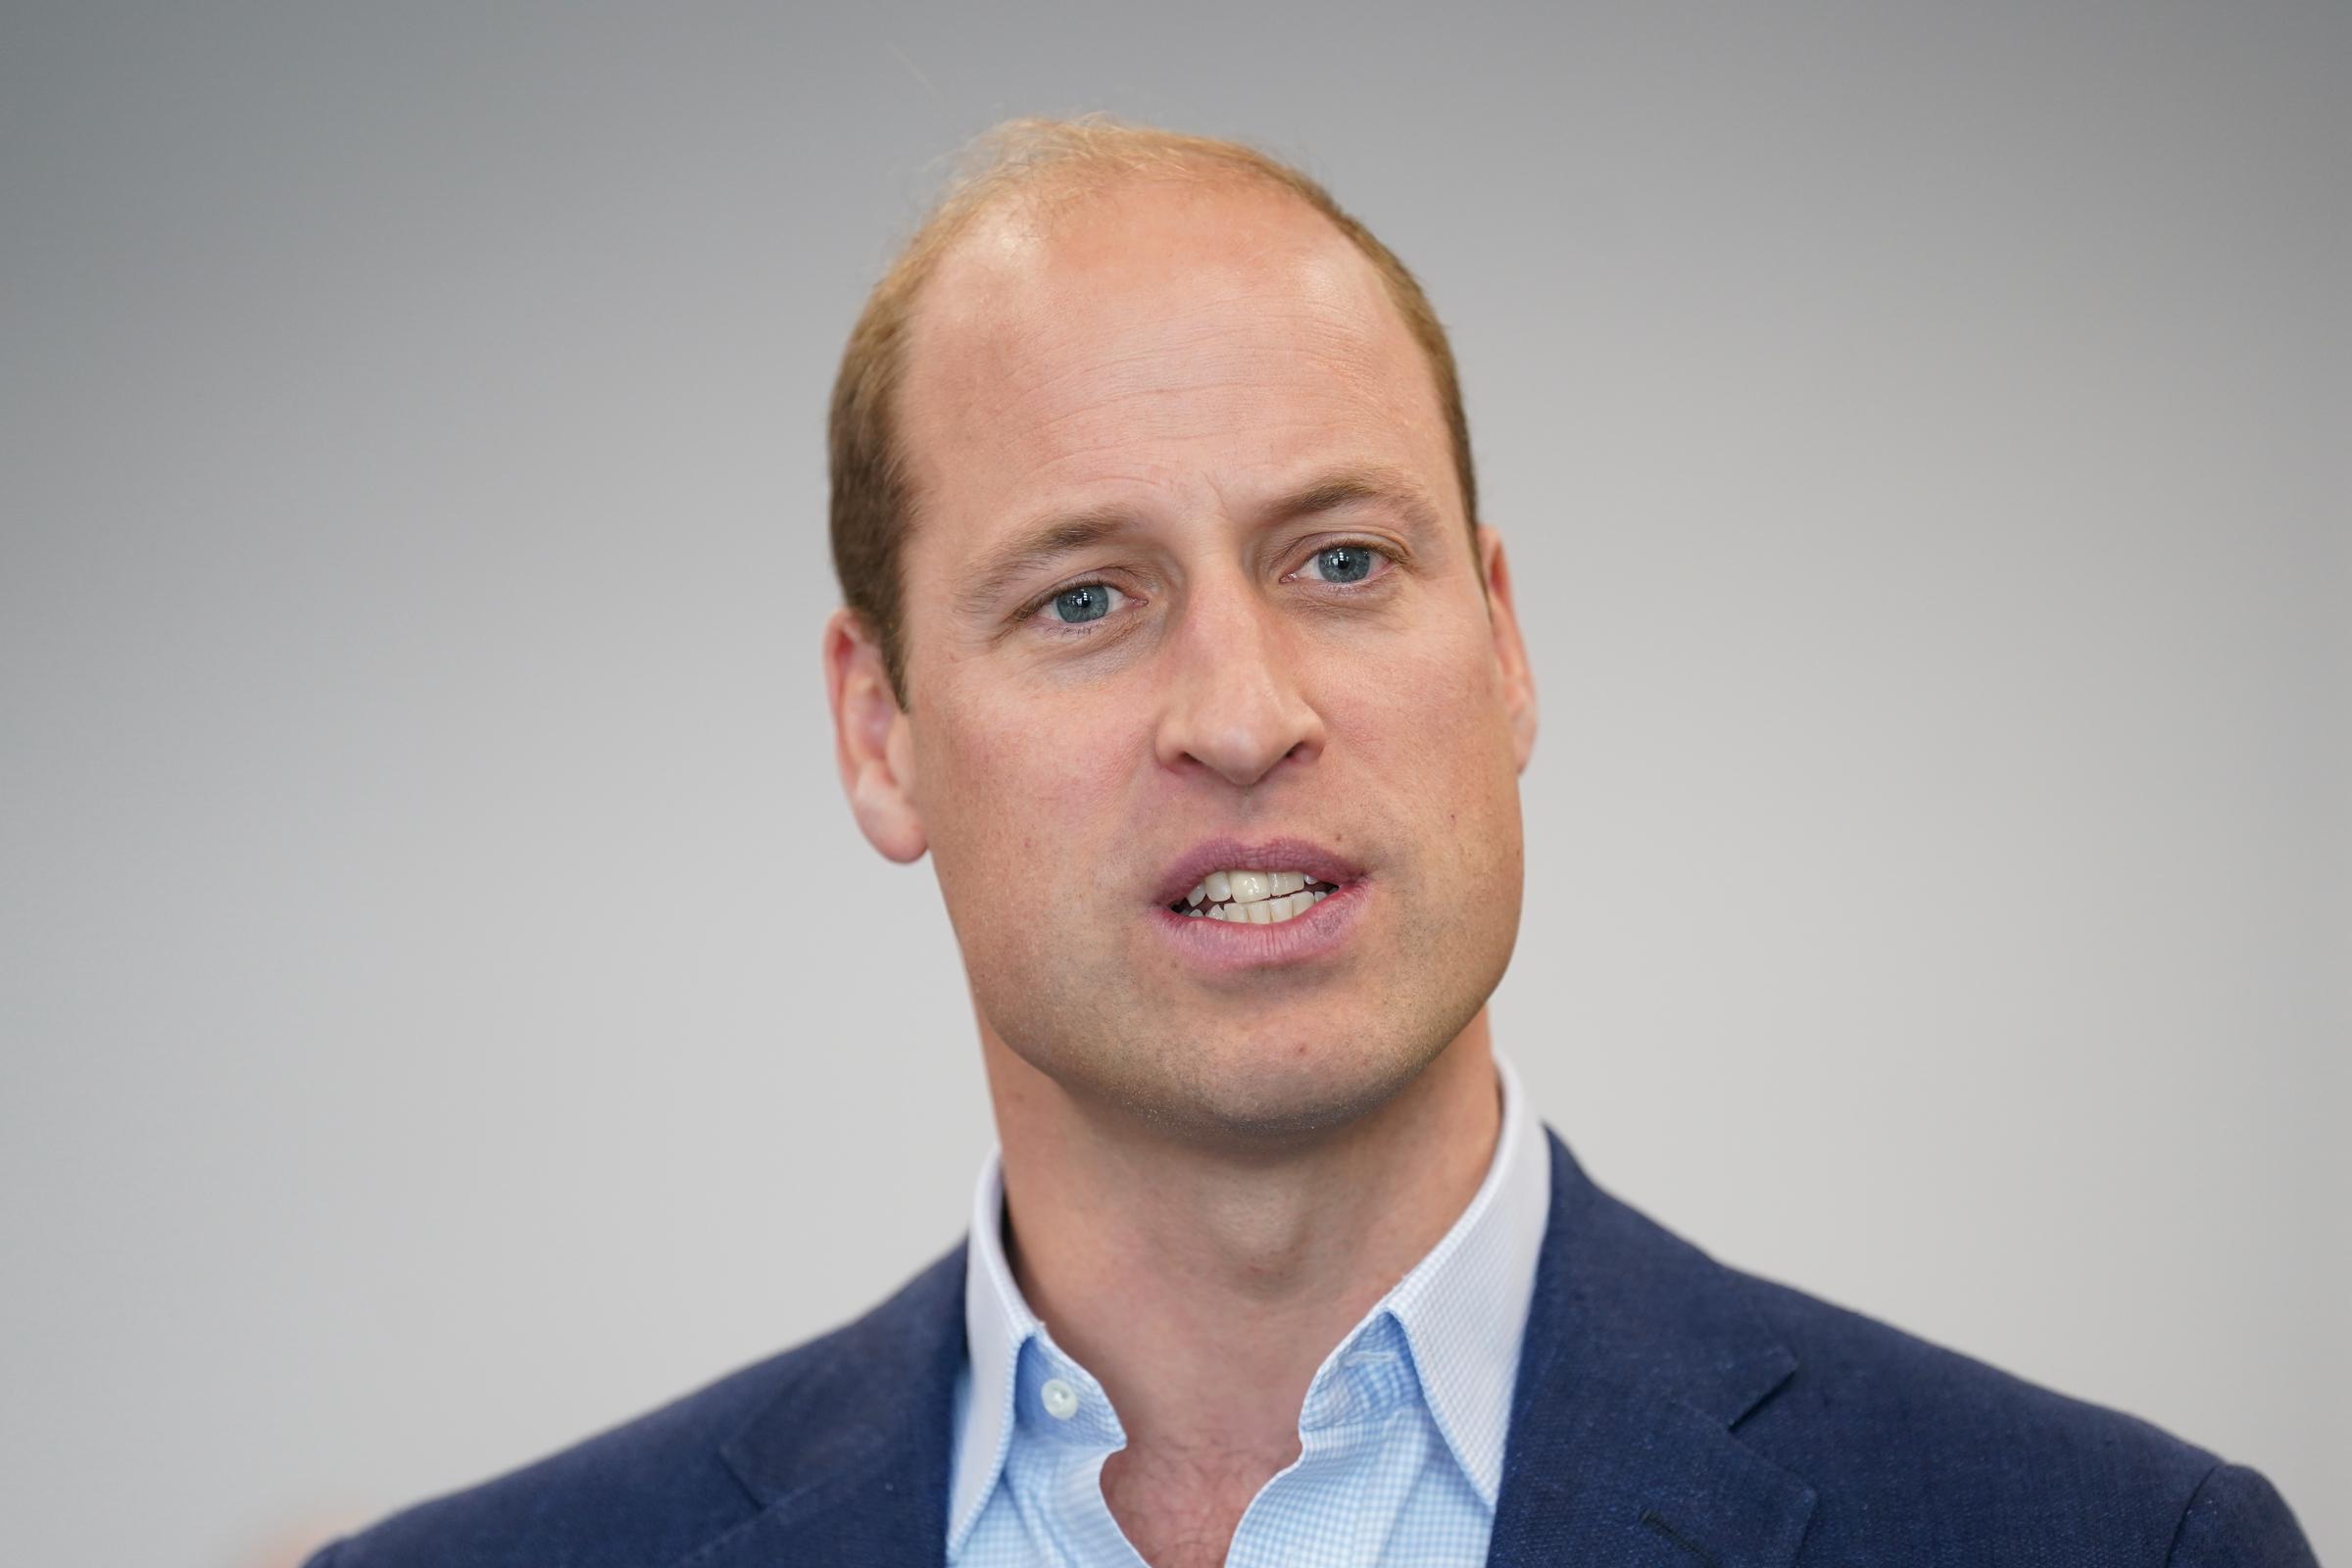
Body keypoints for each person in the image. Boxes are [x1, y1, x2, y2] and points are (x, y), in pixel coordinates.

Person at [301, 117, 2316, 1568]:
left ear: (1505, 645)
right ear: (879, 729)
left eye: (1342, 559)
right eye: (1084, 597)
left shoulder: (2114, 1542)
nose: (1246, 708)